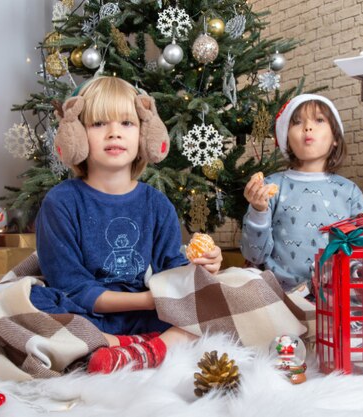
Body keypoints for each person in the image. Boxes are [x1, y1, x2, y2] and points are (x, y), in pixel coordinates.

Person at [29, 76, 223, 373]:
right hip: (87, 313)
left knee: (222, 296)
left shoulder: (157, 205)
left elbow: (171, 271)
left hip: (148, 313)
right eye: (98, 124)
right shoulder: (61, 202)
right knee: (25, 300)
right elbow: (72, 288)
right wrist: (149, 299)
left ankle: (136, 350)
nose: (114, 134)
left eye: (127, 124)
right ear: (77, 136)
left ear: (145, 134)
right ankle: (129, 345)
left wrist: (203, 269)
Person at [240, 94, 363, 291]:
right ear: (286, 140)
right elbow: (254, 255)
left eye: (319, 120)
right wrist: (258, 211)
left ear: (335, 138)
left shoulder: (349, 192)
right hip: (280, 298)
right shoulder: (270, 187)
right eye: (297, 122)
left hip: (335, 297)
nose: (308, 127)